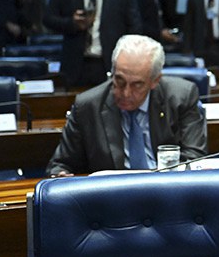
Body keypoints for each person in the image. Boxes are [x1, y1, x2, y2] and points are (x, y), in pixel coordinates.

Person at [46, 34, 207, 176]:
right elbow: (60, 164)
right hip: (110, 196)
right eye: (119, 81)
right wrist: (61, 175)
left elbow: (194, 159)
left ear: (155, 81)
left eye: (137, 85)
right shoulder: (88, 106)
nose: (126, 93)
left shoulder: (181, 97)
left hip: (167, 192)